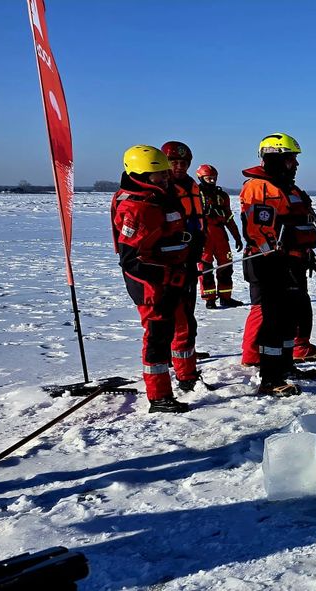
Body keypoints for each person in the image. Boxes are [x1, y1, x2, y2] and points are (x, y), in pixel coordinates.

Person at [109, 145, 199, 413]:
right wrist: (164, 275)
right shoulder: (136, 208)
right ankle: (159, 396)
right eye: (159, 175)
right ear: (141, 175)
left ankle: (187, 377)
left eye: (165, 173)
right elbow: (132, 260)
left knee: (184, 327)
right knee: (158, 337)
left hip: (177, 277)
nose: (166, 177)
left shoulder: (160, 198)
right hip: (153, 286)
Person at [238, 132, 316, 396]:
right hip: (270, 263)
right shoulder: (259, 187)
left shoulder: (290, 187)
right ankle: (270, 377)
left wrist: (305, 252)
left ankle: (287, 365)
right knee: (274, 321)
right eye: (290, 159)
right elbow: (258, 230)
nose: (295, 165)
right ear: (274, 159)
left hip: (295, 261)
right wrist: (275, 255)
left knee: (290, 319)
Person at [160, 141, 209, 376]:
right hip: (170, 258)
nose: (179, 167)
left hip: (191, 253)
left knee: (188, 310)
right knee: (174, 314)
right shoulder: (162, 187)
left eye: (183, 163)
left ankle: (184, 351)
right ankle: (175, 358)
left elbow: (199, 218)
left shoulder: (192, 185)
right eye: (174, 162)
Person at [195, 164, 245, 309]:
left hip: (220, 235)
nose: (211, 181)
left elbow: (229, 217)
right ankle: (209, 299)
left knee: (226, 267)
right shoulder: (196, 194)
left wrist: (237, 237)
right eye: (208, 178)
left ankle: (225, 297)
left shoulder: (222, 196)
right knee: (206, 268)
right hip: (204, 235)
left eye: (214, 178)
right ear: (201, 178)